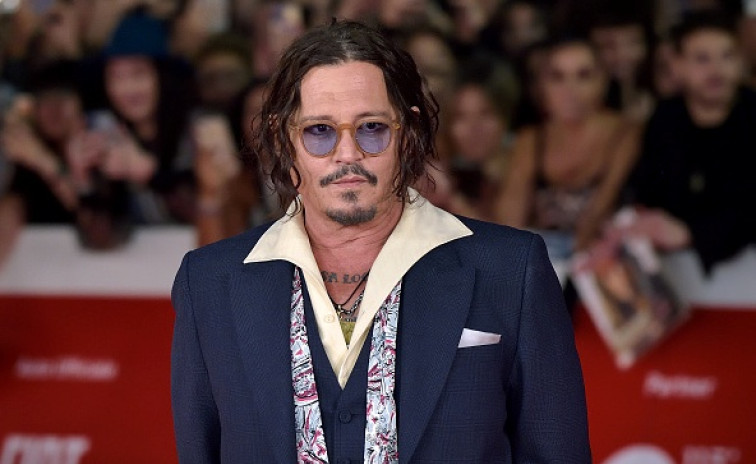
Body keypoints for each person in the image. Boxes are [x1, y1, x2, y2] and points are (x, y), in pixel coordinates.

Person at [171, 20, 590, 463]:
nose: (347, 153)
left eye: (371, 127)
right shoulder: (209, 284)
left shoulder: (510, 270)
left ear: (408, 132)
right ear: (282, 138)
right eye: (319, 131)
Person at [623, 11, 756, 272]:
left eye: (727, 56)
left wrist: (691, 233)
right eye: (702, 59)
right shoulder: (665, 117)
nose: (716, 70)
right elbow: (648, 190)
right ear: (678, 65)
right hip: (672, 266)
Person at [495, 37, 640, 256]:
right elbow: (509, 221)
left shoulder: (624, 134)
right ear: (541, 86)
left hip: (605, 257)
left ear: (603, 81)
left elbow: (598, 212)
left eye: (583, 76)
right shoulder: (531, 140)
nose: (569, 89)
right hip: (544, 257)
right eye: (557, 77)